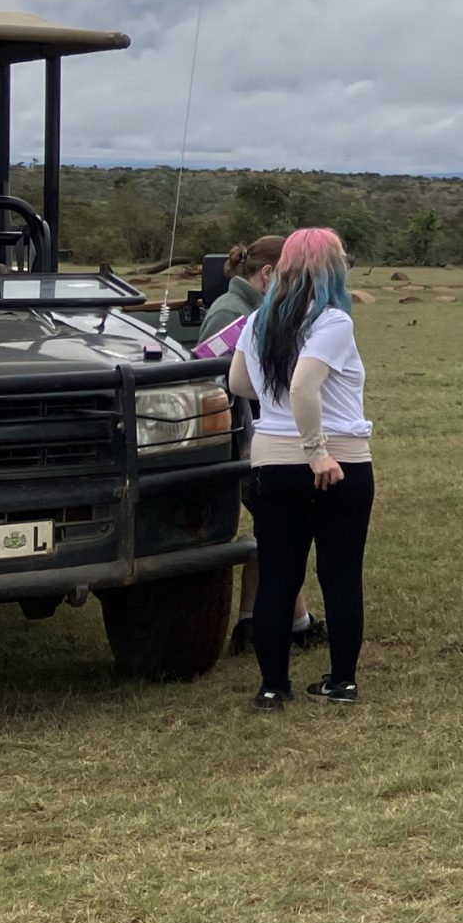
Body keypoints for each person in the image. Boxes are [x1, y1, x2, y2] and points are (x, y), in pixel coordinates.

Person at [227, 229, 372, 711]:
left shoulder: (255, 321)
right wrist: (316, 451)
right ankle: (343, 681)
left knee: (277, 576)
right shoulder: (333, 322)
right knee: (341, 573)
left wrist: (278, 415)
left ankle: (272, 685)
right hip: (336, 461)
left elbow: (238, 382)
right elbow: (305, 387)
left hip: (272, 462)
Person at [206, 234, 321, 657]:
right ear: (269, 273)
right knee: (279, 531)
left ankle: (258, 622)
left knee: (272, 531)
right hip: (245, 442)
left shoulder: (253, 310)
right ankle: (290, 623)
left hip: (260, 438)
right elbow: (226, 385)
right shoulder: (230, 314)